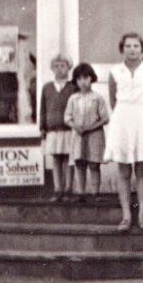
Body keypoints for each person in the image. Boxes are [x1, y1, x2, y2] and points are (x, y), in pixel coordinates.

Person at [105, 33, 143, 231]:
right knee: (123, 169)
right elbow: (112, 100)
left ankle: (142, 216)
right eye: (128, 46)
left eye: (136, 46)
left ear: (141, 48)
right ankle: (126, 216)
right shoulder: (115, 71)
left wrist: (141, 111)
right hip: (122, 118)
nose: (132, 49)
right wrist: (125, 112)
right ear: (122, 48)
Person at [64, 63, 108, 203]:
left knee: (94, 163)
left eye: (86, 78)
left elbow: (105, 118)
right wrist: (75, 126)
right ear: (75, 81)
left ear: (92, 78)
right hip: (78, 135)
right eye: (79, 79)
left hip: (94, 135)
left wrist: (91, 127)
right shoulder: (73, 98)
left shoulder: (97, 98)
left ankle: (95, 192)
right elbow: (67, 117)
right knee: (79, 163)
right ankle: (81, 193)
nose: (83, 82)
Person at [39, 53, 77, 202]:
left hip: (69, 129)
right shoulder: (47, 88)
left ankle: (68, 189)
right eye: (56, 66)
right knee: (56, 159)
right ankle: (57, 189)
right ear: (52, 68)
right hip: (52, 130)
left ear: (68, 68)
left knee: (69, 159)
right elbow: (42, 108)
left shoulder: (72, 87)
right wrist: (42, 127)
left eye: (63, 65)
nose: (59, 69)